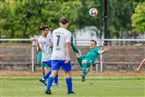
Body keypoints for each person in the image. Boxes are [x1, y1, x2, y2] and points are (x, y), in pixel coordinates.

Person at [45, 18, 75, 94]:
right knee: (68, 72)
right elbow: (67, 44)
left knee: (53, 72)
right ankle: (69, 91)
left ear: (59, 23)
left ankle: (48, 89)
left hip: (54, 56)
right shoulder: (67, 33)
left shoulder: (54, 32)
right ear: (67, 24)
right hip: (63, 56)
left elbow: (52, 44)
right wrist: (68, 56)